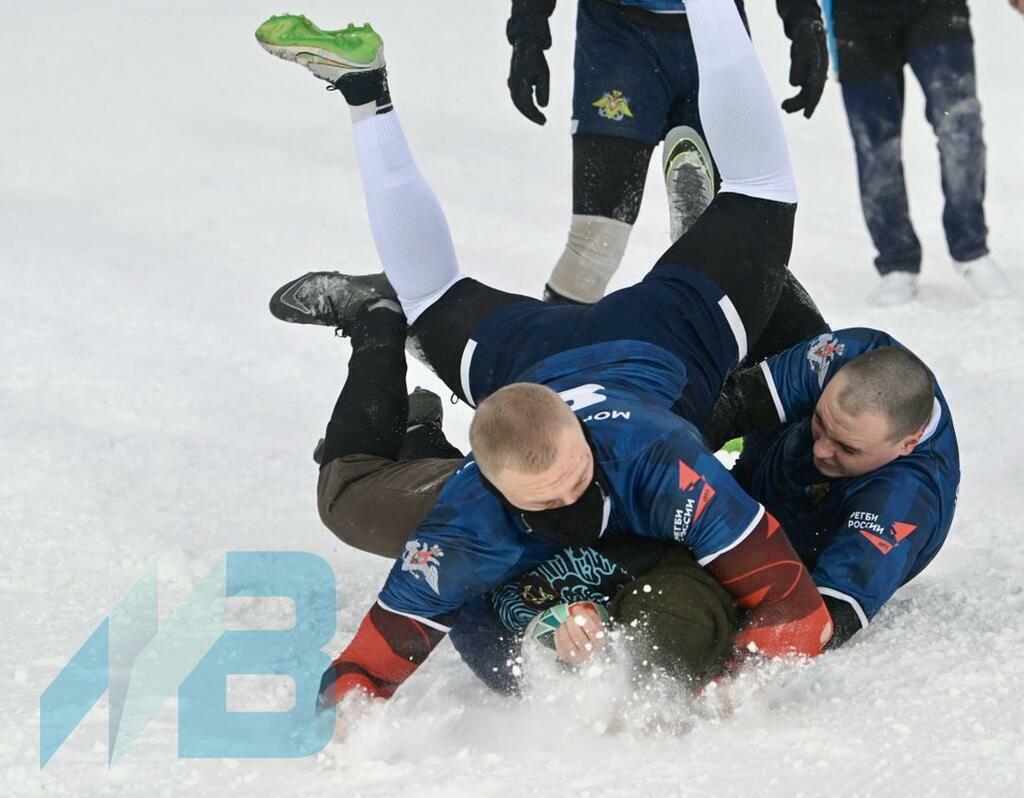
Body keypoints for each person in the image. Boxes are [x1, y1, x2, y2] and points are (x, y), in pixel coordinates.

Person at [255, 0, 834, 715]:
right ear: (482, 481)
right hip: (530, 355)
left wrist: (724, 692)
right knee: (427, 291)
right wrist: (347, 708)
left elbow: (799, 616)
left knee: (762, 188)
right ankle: (365, 95)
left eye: (574, 482)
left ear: (584, 444)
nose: (570, 506)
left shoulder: (664, 466)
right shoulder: (467, 509)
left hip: (658, 334)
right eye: (546, 501)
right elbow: (368, 663)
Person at [309, 309, 740, 691]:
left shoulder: (503, 638)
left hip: (511, 517)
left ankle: (420, 437)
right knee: (345, 498)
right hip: (547, 452)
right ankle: (379, 319)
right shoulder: (653, 483)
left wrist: (555, 638)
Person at [505, 0, 828, 303]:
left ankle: (712, 345)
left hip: (716, 32)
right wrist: (528, 30)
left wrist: (804, 19)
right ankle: (554, 344)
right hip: (617, 37)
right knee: (596, 242)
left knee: (727, 248)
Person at [825, 0, 1017, 305]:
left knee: (960, 123)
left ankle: (971, 248)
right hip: (856, 17)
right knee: (875, 145)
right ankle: (897, 260)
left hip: (936, 7)